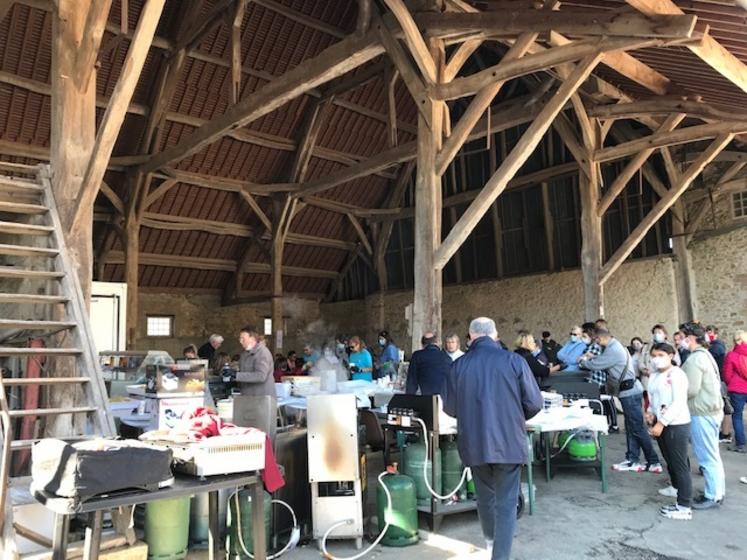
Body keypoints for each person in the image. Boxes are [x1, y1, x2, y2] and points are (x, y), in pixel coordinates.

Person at [443, 317, 542, 560]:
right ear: (495, 335)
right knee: (506, 504)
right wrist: (515, 416)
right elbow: (535, 403)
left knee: (485, 498)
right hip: (508, 442)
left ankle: (489, 546)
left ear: (470, 336)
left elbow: (450, 408)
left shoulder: (459, 365)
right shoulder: (514, 361)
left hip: (474, 443)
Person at [579, 327, 661, 472]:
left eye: (596, 340)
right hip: (629, 391)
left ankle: (653, 461)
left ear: (600, 338)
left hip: (629, 392)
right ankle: (632, 459)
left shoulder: (613, 350)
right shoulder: (615, 346)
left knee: (638, 428)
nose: (596, 343)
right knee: (631, 428)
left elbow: (595, 365)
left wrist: (584, 361)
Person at [679, 321, 725, 510]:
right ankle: (717, 492)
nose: (680, 341)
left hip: (702, 412)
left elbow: (691, 389)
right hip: (712, 410)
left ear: (690, 339)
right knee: (712, 454)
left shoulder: (695, 359)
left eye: (682, 337)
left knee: (707, 457)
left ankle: (712, 496)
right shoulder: (705, 355)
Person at [645, 343, 693, 520]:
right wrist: (650, 413)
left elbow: (679, 402)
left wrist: (662, 423)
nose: (656, 359)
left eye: (660, 355)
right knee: (669, 459)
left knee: (680, 463)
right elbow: (653, 398)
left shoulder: (677, 375)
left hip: (676, 424)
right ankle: (676, 487)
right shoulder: (655, 375)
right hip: (660, 421)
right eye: (654, 355)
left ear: (671, 355)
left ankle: (684, 505)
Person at [580, 322, 618, 432]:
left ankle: (614, 425)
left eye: (584, 335)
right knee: (605, 402)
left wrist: (582, 360)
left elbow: (586, 362)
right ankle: (608, 424)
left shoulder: (595, 347)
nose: (582, 338)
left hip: (599, 379)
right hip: (598, 378)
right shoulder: (592, 346)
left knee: (607, 402)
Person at [723, 330, 747, 453]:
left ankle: (741, 444)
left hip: (737, 389)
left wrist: (730, 383)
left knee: (737, 417)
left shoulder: (732, 355)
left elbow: (727, 375)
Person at [235, 326, 275, 399]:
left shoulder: (262, 353)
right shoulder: (244, 354)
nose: (240, 341)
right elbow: (244, 372)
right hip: (248, 396)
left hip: (261, 398)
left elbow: (261, 376)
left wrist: (236, 376)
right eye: (240, 338)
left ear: (252, 338)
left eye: (243, 339)